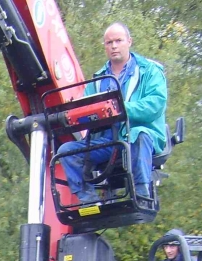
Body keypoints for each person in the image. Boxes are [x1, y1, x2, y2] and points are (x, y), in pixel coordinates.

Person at [60, 23, 169, 204]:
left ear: (129, 41)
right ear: (105, 46)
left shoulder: (149, 71)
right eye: (109, 42)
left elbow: (155, 104)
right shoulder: (98, 79)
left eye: (118, 40)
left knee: (139, 135)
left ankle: (141, 194)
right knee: (67, 151)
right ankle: (89, 201)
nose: (114, 46)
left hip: (137, 136)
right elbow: (83, 110)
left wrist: (120, 109)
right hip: (108, 142)